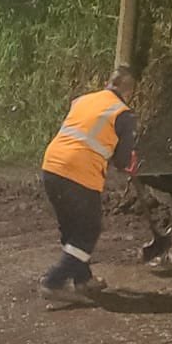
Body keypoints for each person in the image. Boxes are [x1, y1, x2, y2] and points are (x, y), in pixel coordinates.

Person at [38, 67, 141, 304]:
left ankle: (83, 280)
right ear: (129, 91)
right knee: (88, 232)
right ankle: (53, 282)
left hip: (51, 167)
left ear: (109, 82)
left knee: (72, 229)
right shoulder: (124, 115)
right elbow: (122, 161)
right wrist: (129, 163)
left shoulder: (82, 100)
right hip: (79, 174)